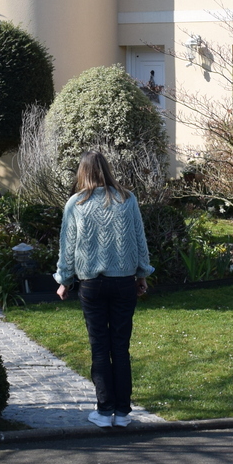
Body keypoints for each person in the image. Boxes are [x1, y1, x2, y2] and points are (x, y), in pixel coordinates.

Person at [56, 150, 152, 428]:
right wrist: (142, 274)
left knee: (99, 347)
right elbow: (139, 239)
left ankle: (104, 410)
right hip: (124, 282)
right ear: (107, 169)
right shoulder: (127, 198)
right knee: (120, 347)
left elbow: (68, 245)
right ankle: (122, 413)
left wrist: (64, 280)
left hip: (92, 284)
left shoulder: (76, 202)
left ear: (82, 171)